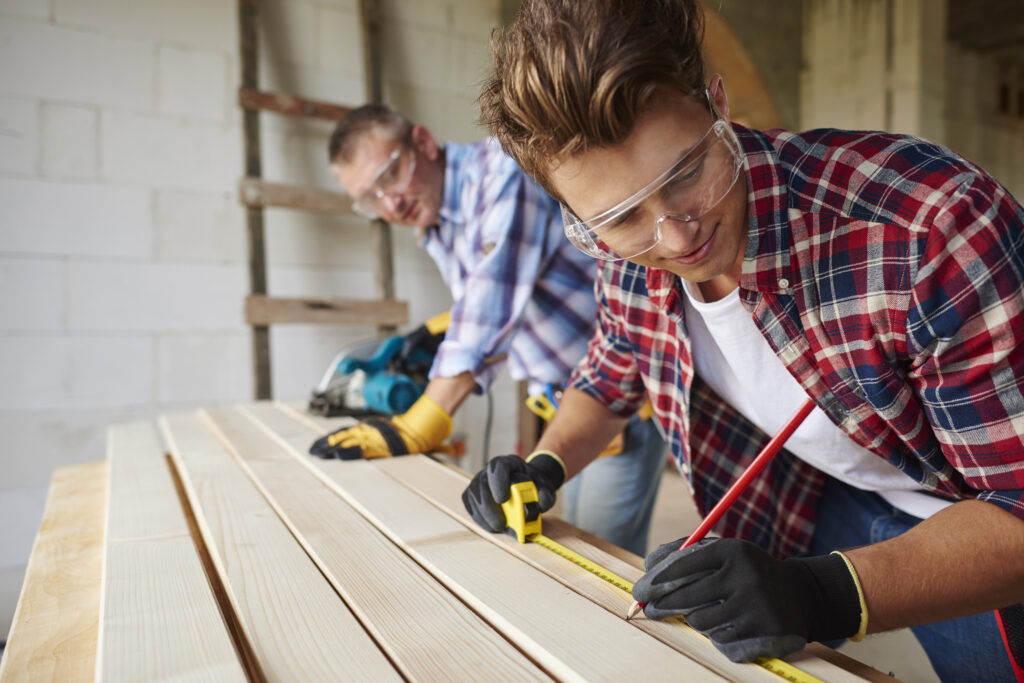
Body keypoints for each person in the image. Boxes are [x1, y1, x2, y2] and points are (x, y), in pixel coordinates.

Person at [460, 0, 1024, 678]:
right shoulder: (625, 260)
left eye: (685, 174)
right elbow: (610, 377)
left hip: (974, 523)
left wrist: (824, 593)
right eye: (620, 216)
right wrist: (543, 466)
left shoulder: (931, 227)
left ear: (718, 104)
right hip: (819, 496)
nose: (675, 235)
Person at [309, 104, 667, 556]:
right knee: (567, 537)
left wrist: (418, 424)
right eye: (370, 199)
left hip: (617, 401)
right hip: (563, 403)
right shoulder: (437, 224)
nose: (390, 203)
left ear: (421, 141)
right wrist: (436, 332)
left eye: (390, 175)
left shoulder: (503, 171)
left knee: (601, 556)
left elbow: (491, 302)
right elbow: (484, 300)